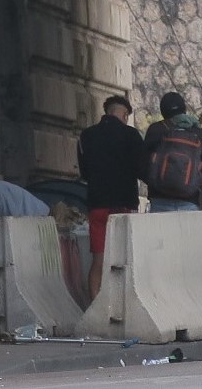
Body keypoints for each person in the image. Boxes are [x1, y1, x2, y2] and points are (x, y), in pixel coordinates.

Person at [77, 95, 144, 300]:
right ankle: (121, 302)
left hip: (97, 204)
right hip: (123, 204)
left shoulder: (86, 135)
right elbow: (141, 169)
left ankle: (95, 303)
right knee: (124, 258)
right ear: (124, 114)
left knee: (98, 259)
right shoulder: (131, 135)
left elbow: (84, 172)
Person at [143, 91, 202, 212]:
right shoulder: (201, 134)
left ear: (163, 111)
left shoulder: (155, 130)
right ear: (184, 109)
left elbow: (145, 164)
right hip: (190, 200)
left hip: (159, 199)